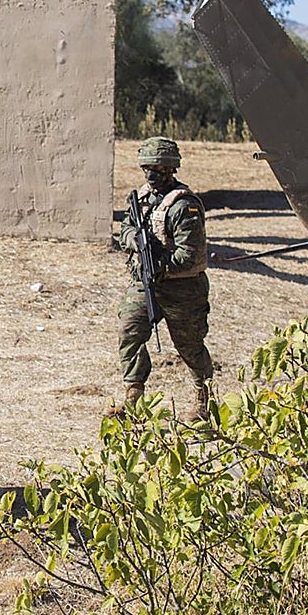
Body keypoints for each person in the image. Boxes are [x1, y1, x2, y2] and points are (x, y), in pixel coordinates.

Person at [115, 137, 214, 421]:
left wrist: (160, 264)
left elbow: (189, 254)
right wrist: (134, 240)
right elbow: (125, 229)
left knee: (189, 345)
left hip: (183, 288)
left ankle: (204, 400)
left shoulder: (184, 205)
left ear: (171, 169)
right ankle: (134, 397)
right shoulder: (141, 199)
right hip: (145, 283)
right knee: (130, 331)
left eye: (157, 169)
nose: (151, 174)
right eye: (146, 168)